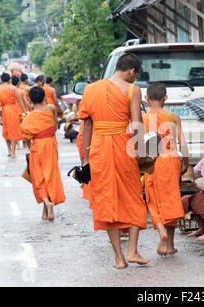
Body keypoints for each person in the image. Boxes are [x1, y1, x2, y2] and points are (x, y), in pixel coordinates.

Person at [79, 53, 150, 269]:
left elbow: (87, 127)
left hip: (99, 149)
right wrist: (142, 152)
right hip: (123, 146)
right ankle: (133, 251)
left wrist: (85, 158)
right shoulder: (132, 90)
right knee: (134, 197)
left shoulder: (91, 89)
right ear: (131, 71)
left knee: (106, 200)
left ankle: (119, 258)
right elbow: (136, 124)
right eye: (135, 75)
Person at [142, 82, 189, 256]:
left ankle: (161, 232)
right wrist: (185, 161)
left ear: (146, 99)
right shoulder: (173, 116)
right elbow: (182, 142)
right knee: (171, 200)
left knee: (153, 200)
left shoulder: (143, 118)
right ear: (166, 98)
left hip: (152, 161)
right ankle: (170, 245)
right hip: (171, 161)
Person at [20, 86, 65, 221]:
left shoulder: (30, 117)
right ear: (44, 97)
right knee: (50, 175)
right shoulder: (50, 110)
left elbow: (25, 135)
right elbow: (55, 126)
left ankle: (46, 203)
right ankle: (46, 210)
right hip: (51, 145)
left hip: (38, 146)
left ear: (30, 99)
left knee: (39, 177)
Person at [0, 73, 26, 158]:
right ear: (9, 80)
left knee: (6, 130)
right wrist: (25, 111)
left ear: (1, 80)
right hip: (13, 110)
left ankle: (9, 150)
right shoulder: (13, 88)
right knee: (14, 130)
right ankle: (13, 152)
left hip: (4, 111)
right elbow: (19, 100)